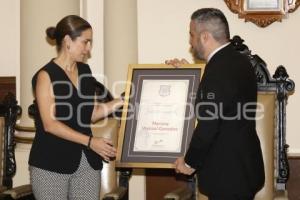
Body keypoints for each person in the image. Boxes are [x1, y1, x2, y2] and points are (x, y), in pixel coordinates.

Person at [166, 8, 265, 200]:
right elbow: (226, 98)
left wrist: (189, 163)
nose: (190, 41)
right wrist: (190, 73)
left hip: (227, 177)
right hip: (245, 170)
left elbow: (209, 126)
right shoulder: (239, 61)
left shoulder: (217, 72)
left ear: (204, 37)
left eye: (191, 34)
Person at [28, 15, 123, 200]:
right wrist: (90, 141)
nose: (88, 49)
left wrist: (121, 101)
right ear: (67, 41)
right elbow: (50, 124)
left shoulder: (85, 72)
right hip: (50, 163)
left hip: (86, 163)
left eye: (90, 43)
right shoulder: (45, 75)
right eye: (85, 42)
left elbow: (91, 114)